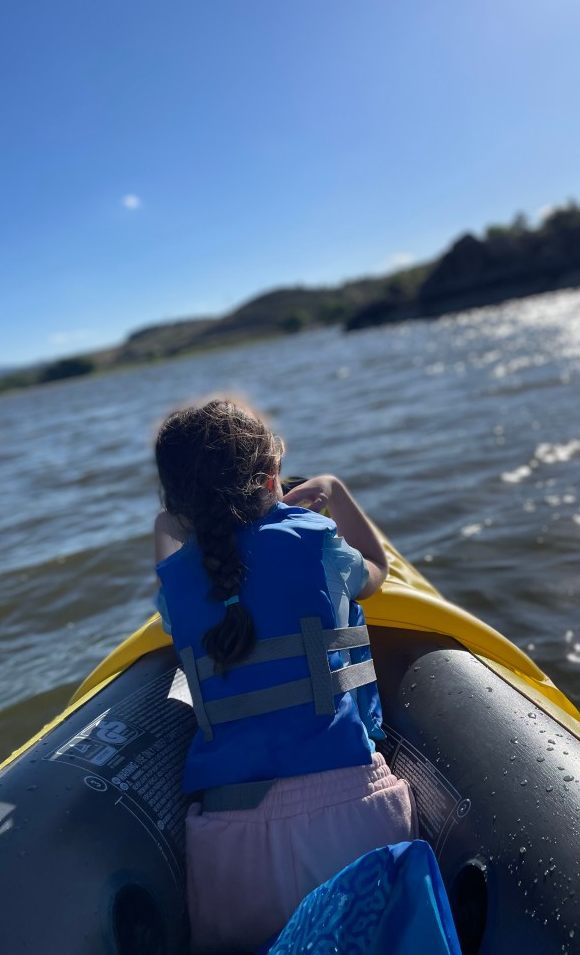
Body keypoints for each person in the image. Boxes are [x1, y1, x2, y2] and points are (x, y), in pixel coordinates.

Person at [154, 399, 417, 953]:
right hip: (355, 816)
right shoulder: (317, 537)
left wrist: (167, 525)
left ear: (178, 511)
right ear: (272, 478)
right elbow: (377, 571)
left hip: (233, 851)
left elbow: (173, 569)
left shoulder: (175, 583)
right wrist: (333, 491)